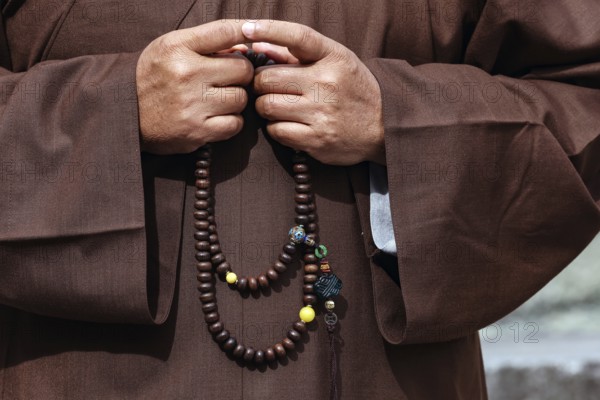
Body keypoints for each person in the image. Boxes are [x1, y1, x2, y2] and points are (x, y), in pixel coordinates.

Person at [1, 0, 599, 398]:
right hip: (78, 368)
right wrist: (105, 112)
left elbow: (585, 100)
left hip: (380, 374)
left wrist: (401, 117)